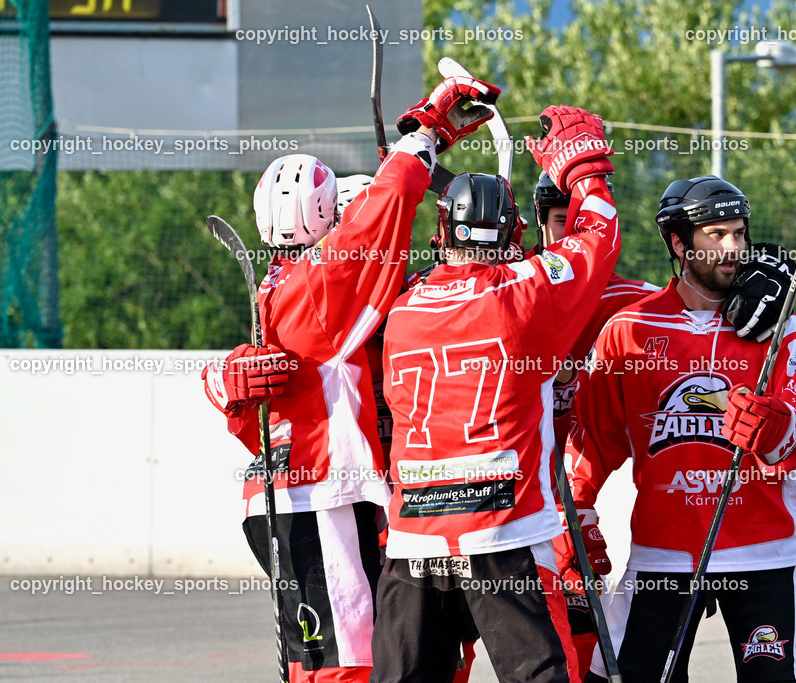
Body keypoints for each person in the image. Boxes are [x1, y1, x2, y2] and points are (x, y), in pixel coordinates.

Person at [201, 75, 501, 683]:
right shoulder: (322, 288)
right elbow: (380, 219)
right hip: (326, 495)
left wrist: (223, 383)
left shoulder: (301, 295)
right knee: (350, 662)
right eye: (340, 220)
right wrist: (424, 137)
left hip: (367, 498)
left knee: (401, 653)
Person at [371, 105, 619, 683]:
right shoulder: (526, 290)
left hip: (413, 540)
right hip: (503, 534)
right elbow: (599, 235)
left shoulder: (401, 305)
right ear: (515, 234)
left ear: (440, 233)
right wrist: (586, 171)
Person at [568, 175, 796, 683]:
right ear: (678, 243)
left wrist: (772, 427)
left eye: (739, 233)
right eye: (716, 235)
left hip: (762, 550)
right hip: (663, 552)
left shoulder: (781, 328)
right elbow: (593, 437)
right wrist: (574, 512)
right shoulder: (628, 330)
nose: (733, 247)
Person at [532, 171, 659, 678]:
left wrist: (756, 283)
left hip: (572, 489)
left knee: (581, 620)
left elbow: (700, 306)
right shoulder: (513, 290)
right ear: (540, 226)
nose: (571, 242)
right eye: (563, 224)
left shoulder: (632, 302)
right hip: (501, 495)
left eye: (583, 227)